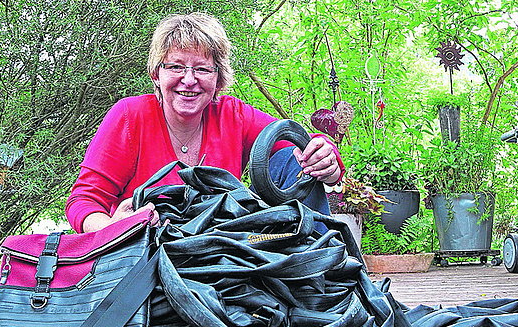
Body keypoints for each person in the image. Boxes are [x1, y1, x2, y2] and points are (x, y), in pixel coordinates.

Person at [65, 12, 345, 234]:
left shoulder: (232, 115)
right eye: (175, 67)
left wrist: (326, 160)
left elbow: (299, 144)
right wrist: (114, 228)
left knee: (292, 159)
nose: (188, 80)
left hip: (222, 255)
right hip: (147, 257)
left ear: (218, 79)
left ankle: (315, 277)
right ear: (156, 75)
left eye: (201, 69)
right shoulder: (129, 116)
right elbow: (83, 203)